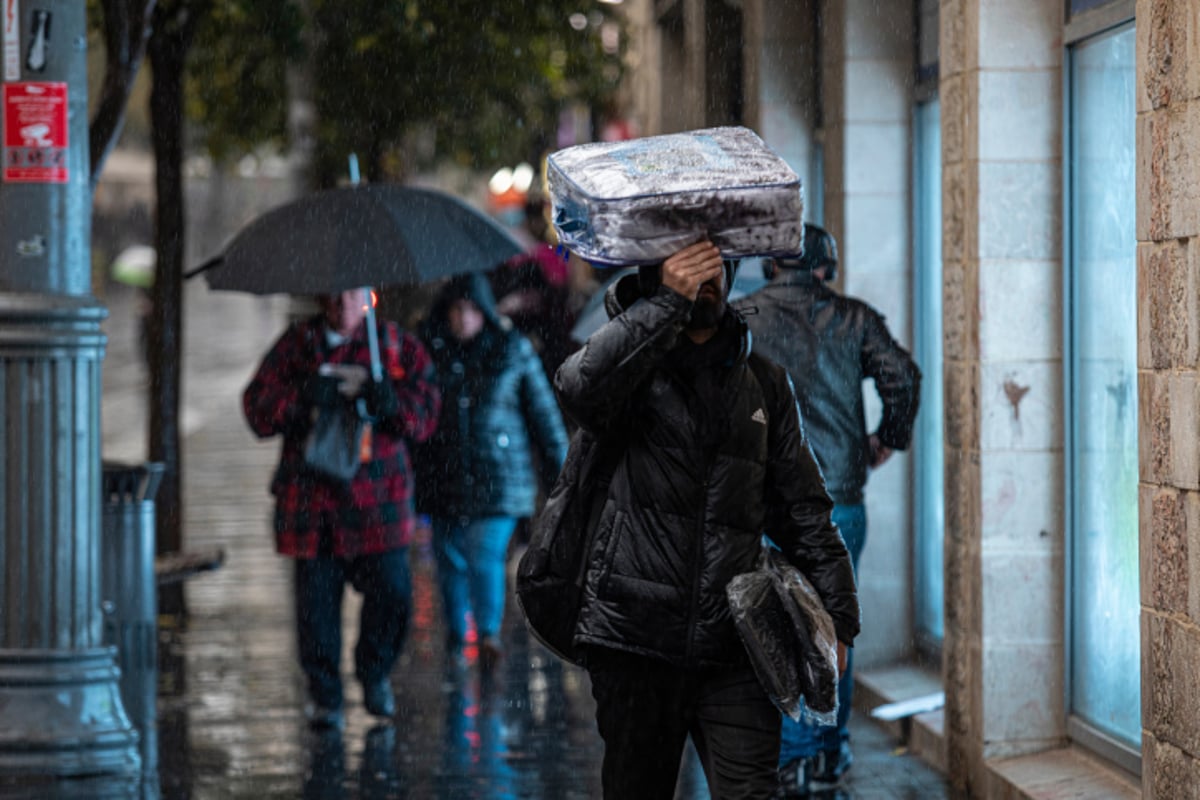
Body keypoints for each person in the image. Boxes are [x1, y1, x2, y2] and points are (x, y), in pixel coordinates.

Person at [553, 240, 861, 799]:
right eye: (686, 263)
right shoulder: (625, 370)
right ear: (655, 273)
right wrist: (667, 302)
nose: (706, 276)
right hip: (633, 639)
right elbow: (578, 387)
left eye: (715, 264)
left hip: (737, 642)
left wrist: (839, 615)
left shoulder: (765, 382)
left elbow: (804, 508)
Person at [740, 224, 921, 794]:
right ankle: (828, 750)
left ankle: (791, 750)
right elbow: (903, 377)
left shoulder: (741, 318)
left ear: (771, 267)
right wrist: (885, 438)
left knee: (777, 627)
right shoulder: (854, 318)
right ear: (825, 269)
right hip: (838, 495)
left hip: (765, 501)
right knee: (834, 627)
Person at [242, 288, 441, 729]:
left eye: (350, 296)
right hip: (312, 507)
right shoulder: (297, 346)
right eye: (332, 298)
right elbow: (257, 409)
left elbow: (426, 413)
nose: (341, 306)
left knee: (392, 594)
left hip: (380, 504)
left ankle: (374, 675)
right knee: (316, 611)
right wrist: (304, 399)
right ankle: (325, 695)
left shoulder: (393, 345)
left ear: (365, 297)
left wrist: (391, 404)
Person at [416, 273, 569, 671]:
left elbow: (544, 417)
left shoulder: (512, 350)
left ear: (484, 311)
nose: (463, 318)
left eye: (470, 309)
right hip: (444, 478)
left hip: (499, 480)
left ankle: (486, 634)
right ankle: (456, 634)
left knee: (484, 556)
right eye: (456, 309)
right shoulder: (429, 352)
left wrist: (565, 475)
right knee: (449, 559)